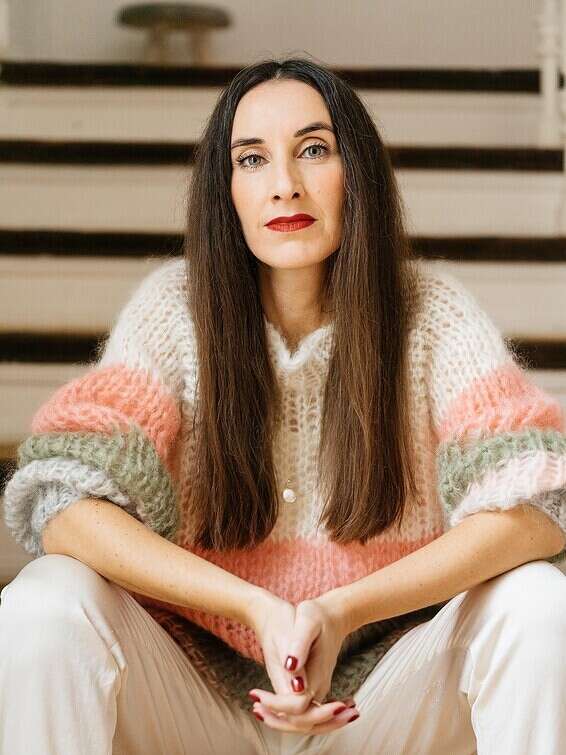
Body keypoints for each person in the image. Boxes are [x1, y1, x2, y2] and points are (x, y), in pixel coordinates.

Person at [1, 55, 566, 755]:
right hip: (199, 701)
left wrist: (340, 611)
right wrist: (254, 608)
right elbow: (64, 504)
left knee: (541, 602)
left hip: (383, 702)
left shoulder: (432, 315)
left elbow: (537, 508)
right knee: (48, 597)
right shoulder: (174, 312)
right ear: (227, 191)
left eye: (314, 150)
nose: (284, 184)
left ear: (357, 173)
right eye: (252, 159)